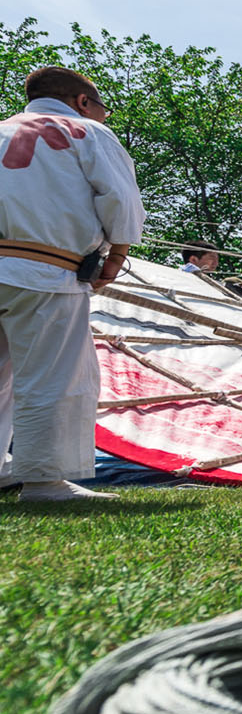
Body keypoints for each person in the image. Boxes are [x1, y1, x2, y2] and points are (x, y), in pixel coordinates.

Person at [0, 66, 145, 502]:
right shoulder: (88, 133)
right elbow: (120, 200)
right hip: (44, 269)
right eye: (101, 107)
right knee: (50, 376)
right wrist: (115, 256)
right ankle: (44, 480)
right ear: (83, 101)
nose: (104, 116)